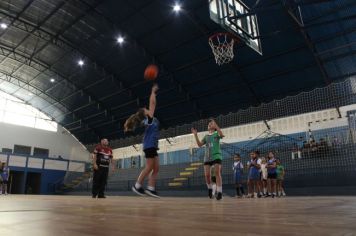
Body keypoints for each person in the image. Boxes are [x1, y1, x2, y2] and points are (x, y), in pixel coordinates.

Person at [127, 84, 160, 198]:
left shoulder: (149, 119)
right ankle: (137, 186)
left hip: (153, 145)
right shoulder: (148, 120)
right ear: (145, 113)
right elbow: (153, 104)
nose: (148, 109)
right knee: (149, 166)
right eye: (146, 109)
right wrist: (152, 92)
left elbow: (152, 106)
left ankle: (150, 188)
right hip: (149, 145)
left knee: (156, 168)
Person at [192, 118, 224, 200]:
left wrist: (216, 125)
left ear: (214, 126)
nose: (209, 125)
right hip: (207, 157)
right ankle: (210, 189)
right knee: (207, 175)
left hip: (216, 155)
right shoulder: (206, 136)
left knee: (217, 172)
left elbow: (222, 135)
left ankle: (219, 192)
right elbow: (199, 144)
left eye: (211, 124)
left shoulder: (217, 133)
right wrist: (195, 135)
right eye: (209, 124)